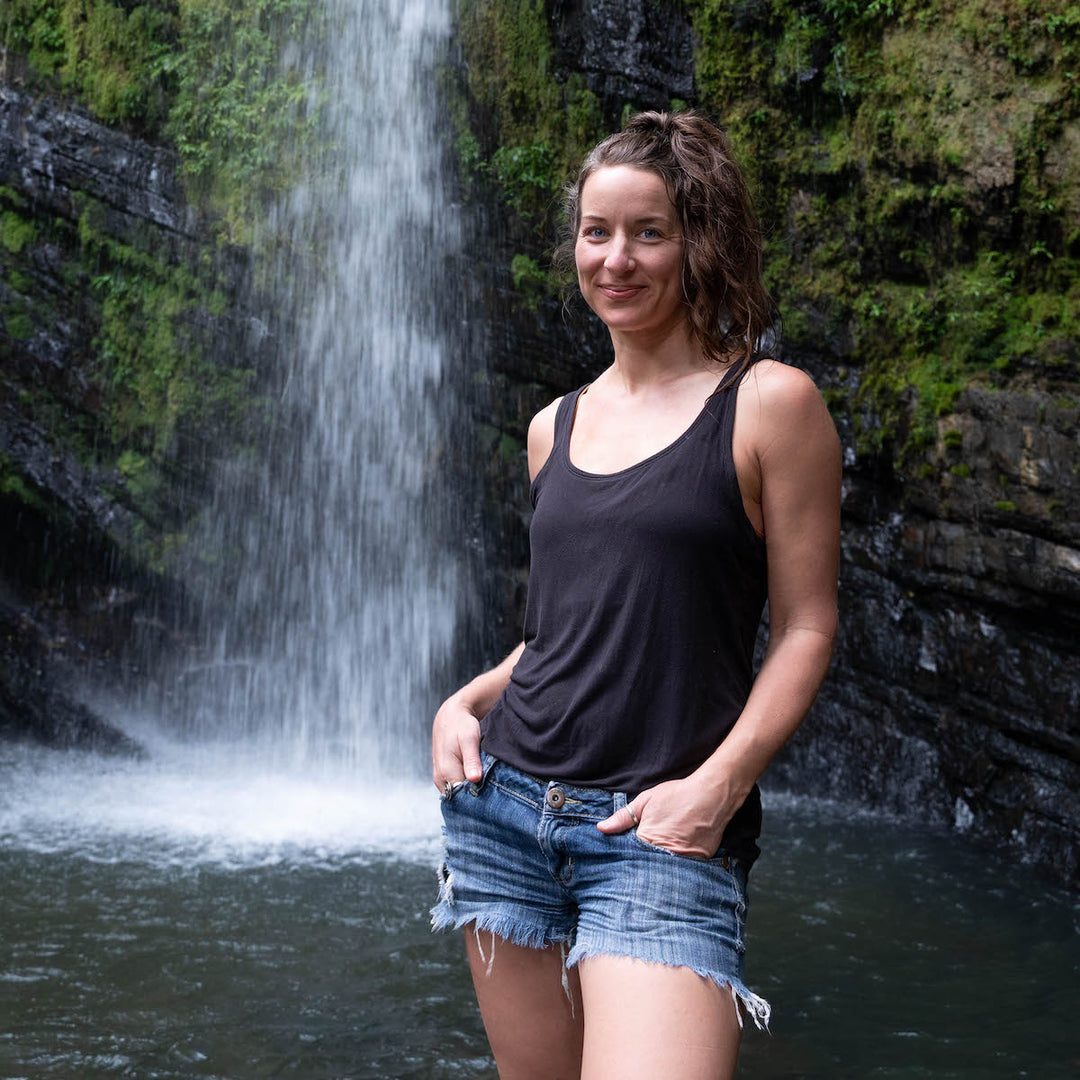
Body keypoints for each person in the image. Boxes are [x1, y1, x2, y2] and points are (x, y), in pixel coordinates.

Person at [430, 109, 841, 1080]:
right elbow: (565, 632)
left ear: (702, 238)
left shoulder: (770, 404)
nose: (616, 258)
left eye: (649, 231)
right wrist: (468, 701)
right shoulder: (552, 426)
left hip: (663, 831)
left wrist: (717, 788)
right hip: (506, 813)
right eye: (596, 231)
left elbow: (808, 629)